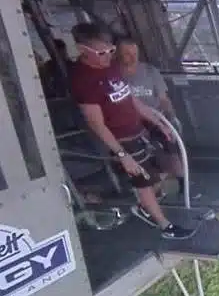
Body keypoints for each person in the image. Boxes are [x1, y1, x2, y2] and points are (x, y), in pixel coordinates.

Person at [69, 22, 194, 239]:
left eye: (111, 51)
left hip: (138, 130)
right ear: (82, 50)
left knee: (157, 172)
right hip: (122, 139)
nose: (108, 56)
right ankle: (165, 226)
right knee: (143, 182)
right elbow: (96, 124)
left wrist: (159, 122)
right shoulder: (83, 80)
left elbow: (131, 100)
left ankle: (146, 205)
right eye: (101, 53)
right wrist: (122, 155)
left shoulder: (111, 67)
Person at [115, 36, 200, 200]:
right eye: (127, 54)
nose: (132, 58)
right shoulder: (115, 75)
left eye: (135, 53)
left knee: (169, 142)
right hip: (129, 121)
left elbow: (163, 98)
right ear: (117, 54)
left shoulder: (149, 71)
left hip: (155, 116)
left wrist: (172, 117)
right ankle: (148, 186)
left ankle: (182, 182)